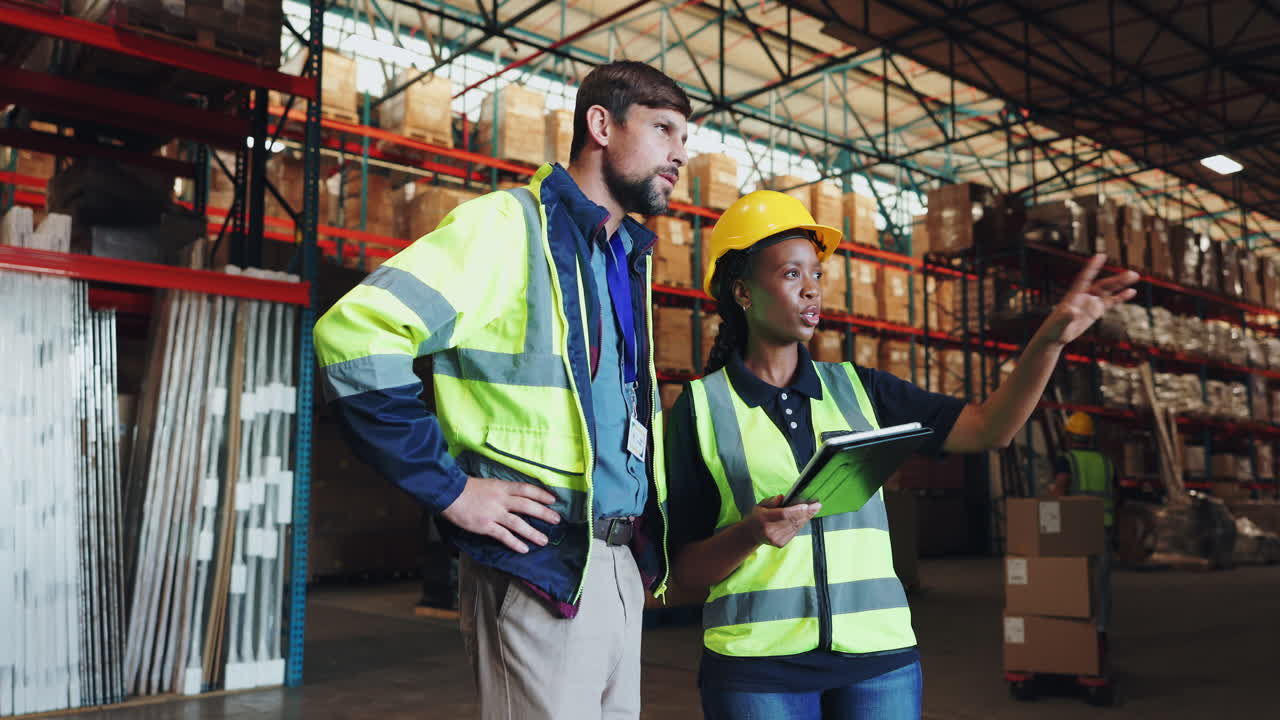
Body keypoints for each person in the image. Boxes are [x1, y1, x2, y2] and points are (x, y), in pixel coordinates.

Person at [663, 190, 1138, 719]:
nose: (812, 291)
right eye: (792, 274)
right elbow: (685, 570)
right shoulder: (699, 409)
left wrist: (1050, 339)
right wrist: (750, 533)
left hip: (878, 658)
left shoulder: (862, 391)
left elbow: (991, 428)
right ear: (742, 292)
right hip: (757, 669)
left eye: (817, 275)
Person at [312, 61, 691, 720]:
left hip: (618, 563)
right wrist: (450, 487)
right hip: (541, 565)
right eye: (664, 130)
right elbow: (354, 333)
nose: (680, 155)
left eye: (685, 140)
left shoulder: (623, 255)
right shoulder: (509, 227)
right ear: (601, 124)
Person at [1053, 411, 1116, 657]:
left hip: (1077, 528)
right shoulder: (1105, 461)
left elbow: (1060, 488)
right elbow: (1116, 495)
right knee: (1102, 581)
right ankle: (1101, 629)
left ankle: (1077, 629)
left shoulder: (1066, 459)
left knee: (1076, 580)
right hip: (1104, 525)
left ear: (1069, 436)